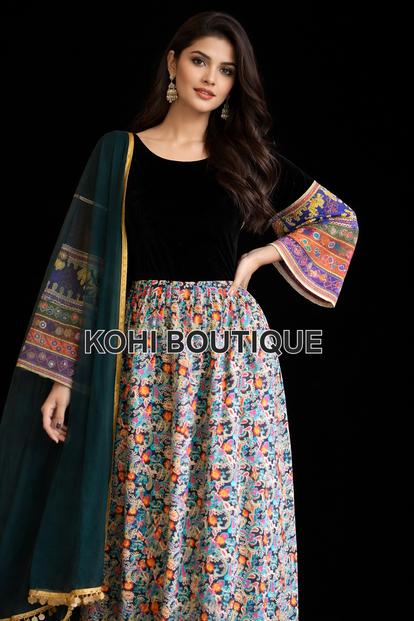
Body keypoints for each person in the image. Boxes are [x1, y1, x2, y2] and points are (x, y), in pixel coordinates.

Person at [0, 11, 358, 621]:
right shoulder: (120, 154)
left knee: (226, 502)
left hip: (231, 362)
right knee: (145, 497)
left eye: (227, 70)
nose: (211, 78)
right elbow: (80, 267)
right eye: (199, 61)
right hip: (140, 357)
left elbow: (338, 221)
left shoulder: (245, 158)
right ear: (172, 62)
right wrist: (62, 376)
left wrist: (257, 260)